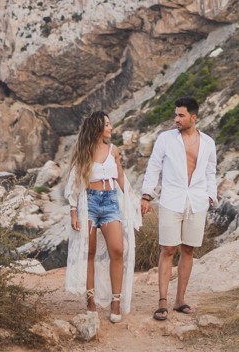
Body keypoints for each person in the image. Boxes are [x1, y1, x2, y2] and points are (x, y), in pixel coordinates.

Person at [140, 96, 217, 321]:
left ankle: (180, 299)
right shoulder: (165, 139)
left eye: (181, 115)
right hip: (171, 199)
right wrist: (146, 195)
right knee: (168, 249)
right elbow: (153, 166)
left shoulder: (208, 142)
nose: (176, 119)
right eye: (175, 115)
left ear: (194, 117)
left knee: (189, 250)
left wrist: (210, 195)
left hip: (197, 201)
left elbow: (211, 170)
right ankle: (162, 302)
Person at [64, 111, 138, 323]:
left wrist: (133, 201)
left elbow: (121, 176)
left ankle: (116, 300)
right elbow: (75, 181)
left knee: (117, 250)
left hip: (111, 201)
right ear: (97, 127)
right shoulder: (83, 151)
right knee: (90, 252)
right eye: (107, 124)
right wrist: (73, 211)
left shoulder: (113, 150)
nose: (111, 127)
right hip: (89, 202)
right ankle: (90, 299)